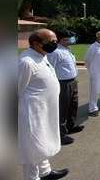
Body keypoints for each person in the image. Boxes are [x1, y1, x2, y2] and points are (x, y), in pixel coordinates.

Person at [19, 29, 69, 180]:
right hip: (32, 113)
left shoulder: (41, 56)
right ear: (36, 43)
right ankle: (32, 178)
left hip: (45, 109)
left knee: (42, 142)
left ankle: (45, 172)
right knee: (32, 148)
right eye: (51, 42)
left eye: (55, 41)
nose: (55, 44)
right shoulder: (26, 62)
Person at [47, 30, 83, 147]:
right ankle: (60, 135)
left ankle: (70, 126)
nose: (72, 40)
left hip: (72, 81)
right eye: (69, 38)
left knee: (73, 105)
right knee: (62, 109)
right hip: (62, 83)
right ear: (62, 39)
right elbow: (50, 69)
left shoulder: (67, 50)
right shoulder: (55, 52)